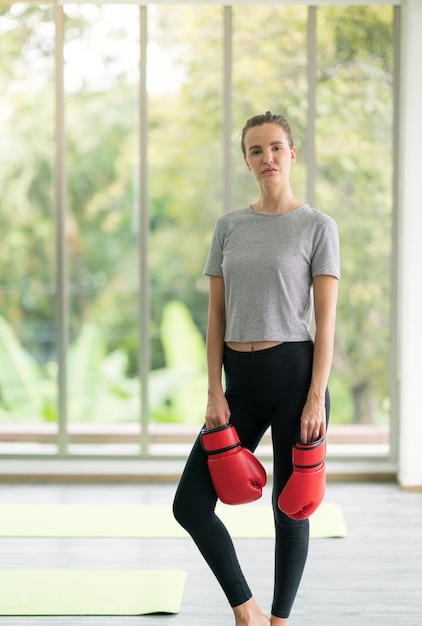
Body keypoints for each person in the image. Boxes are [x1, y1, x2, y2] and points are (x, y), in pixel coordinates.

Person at [173, 111, 340, 625]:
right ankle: (246, 609)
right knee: (191, 505)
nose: (266, 158)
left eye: (275, 148)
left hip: (295, 376)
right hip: (238, 385)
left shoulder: (317, 226)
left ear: (292, 154)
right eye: (255, 150)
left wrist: (317, 397)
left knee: (291, 510)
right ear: (246, 161)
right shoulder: (229, 226)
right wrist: (213, 390)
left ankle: (279, 620)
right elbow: (216, 315)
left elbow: (328, 321)